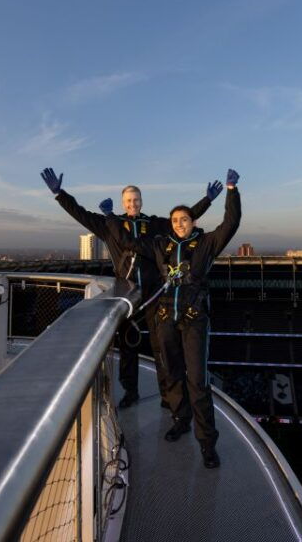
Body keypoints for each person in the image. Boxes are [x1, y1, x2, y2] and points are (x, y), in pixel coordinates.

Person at [41, 167, 221, 408]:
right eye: (128, 200)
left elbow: (183, 220)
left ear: (141, 201)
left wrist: (207, 200)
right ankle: (130, 392)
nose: (133, 204)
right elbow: (81, 214)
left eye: (136, 199)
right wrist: (60, 194)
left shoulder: (154, 224)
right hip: (127, 294)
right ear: (123, 203)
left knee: (162, 347)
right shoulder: (110, 224)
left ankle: (168, 397)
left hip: (155, 293)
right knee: (128, 345)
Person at [106, 169, 240, 468]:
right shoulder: (160, 244)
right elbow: (129, 243)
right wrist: (112, 219)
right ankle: (180, 421)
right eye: (175, 220)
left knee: (197, 380)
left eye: (185, 219)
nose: (180, 224)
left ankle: (207, 443)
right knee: (173, 374)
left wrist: (231, 191)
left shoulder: (205, 244)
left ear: (193, 222)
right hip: (166, 317)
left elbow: (231, 223)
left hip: (193, 320)